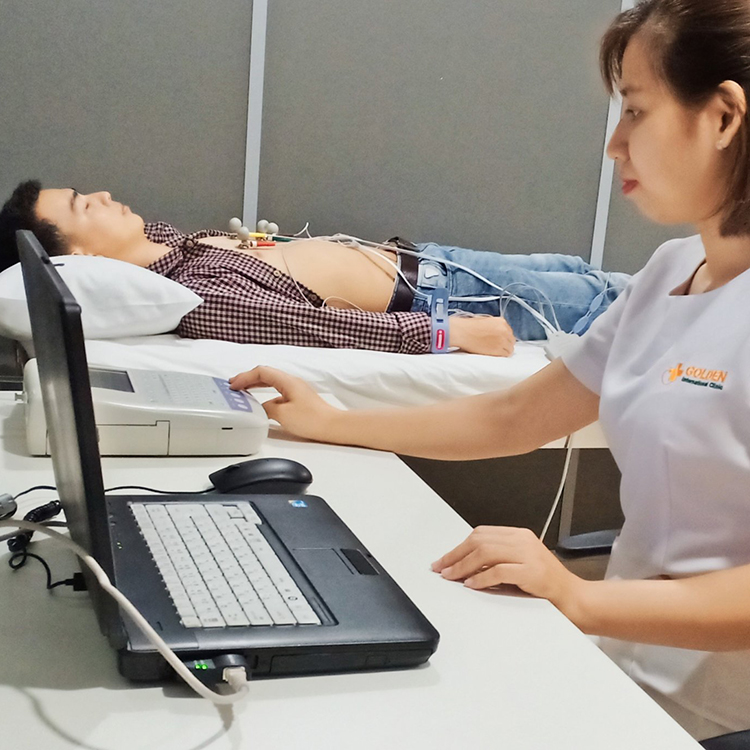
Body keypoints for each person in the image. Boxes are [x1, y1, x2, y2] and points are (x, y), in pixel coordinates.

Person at [227, 0, 750, 741]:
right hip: (618, 670)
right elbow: (513, 416)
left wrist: (576, 595)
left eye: (635, 111)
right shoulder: (672, 271)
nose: (615, 145)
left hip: (712, 716)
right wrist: (334, 423)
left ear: (724, 117)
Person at [0, 181, 629, 357]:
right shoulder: (193, 295)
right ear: (78, 259)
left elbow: (151, 242)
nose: (104, 195)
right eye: (84, 206)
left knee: (590, 276)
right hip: (447, 298)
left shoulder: (169, 248)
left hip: (434, 260)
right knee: (617, 304)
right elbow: (319, 327)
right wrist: (447, 333)